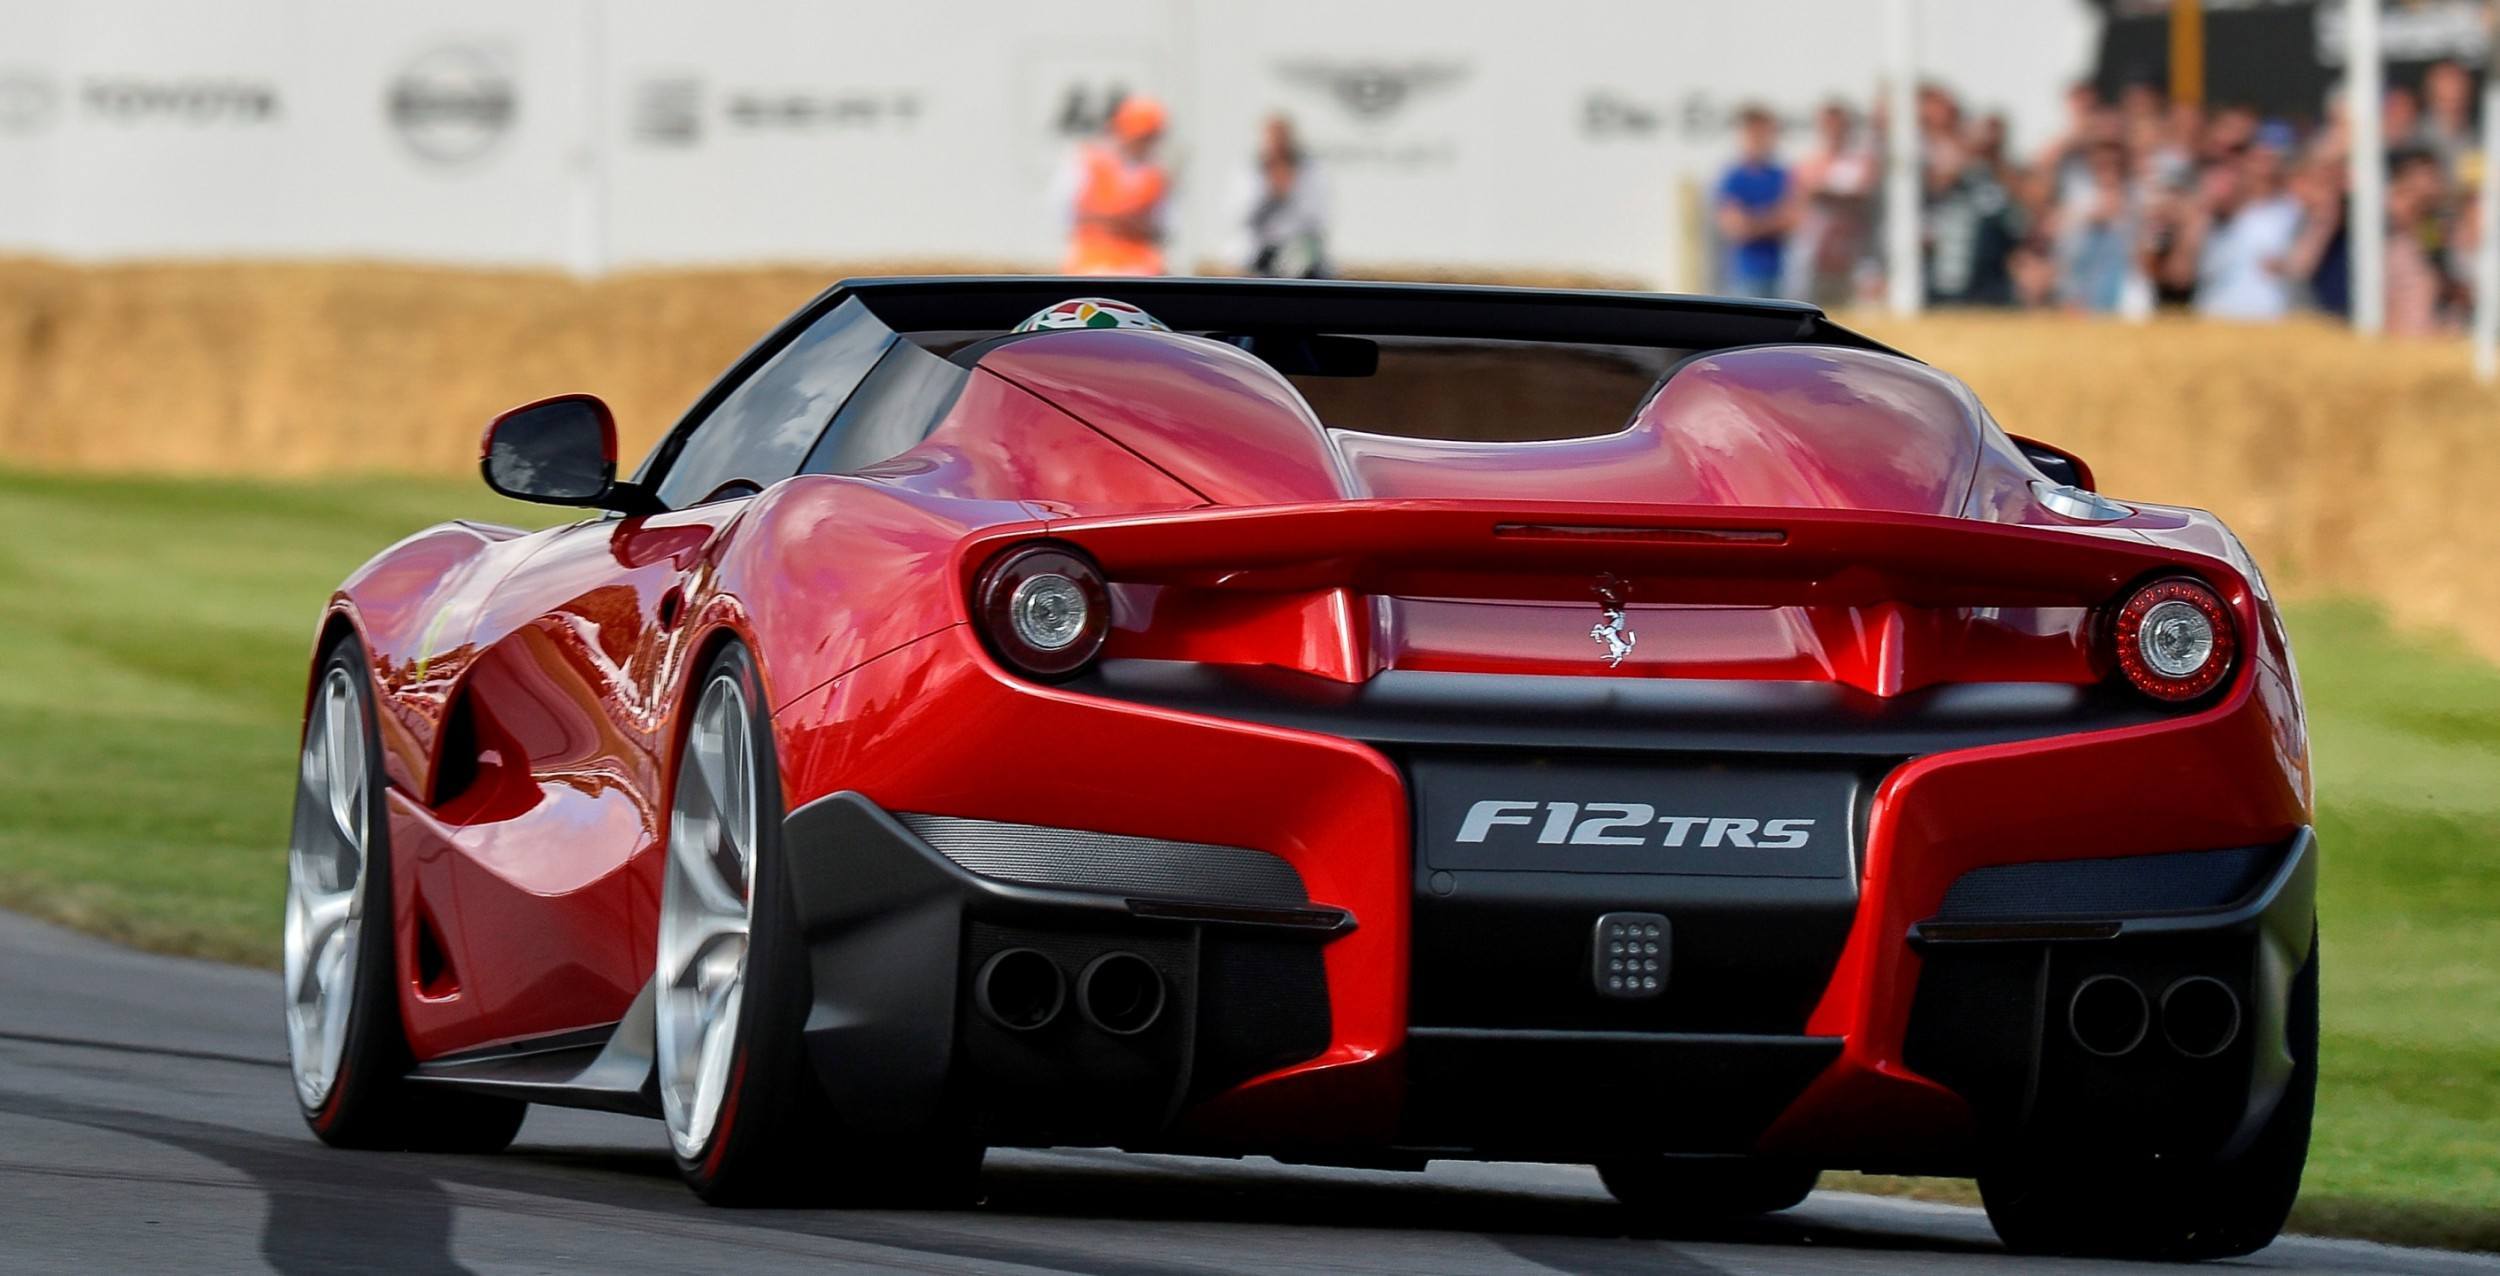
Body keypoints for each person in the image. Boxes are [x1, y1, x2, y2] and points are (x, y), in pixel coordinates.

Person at [1057, 95, 1172, 276]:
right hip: (1091, 258)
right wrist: (1117, 222)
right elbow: (1066, 216)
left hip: (1140, 262)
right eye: (1139, 137)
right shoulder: (1087, 164)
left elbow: (1163, 228)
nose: (1143, 144)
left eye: (1149, 138)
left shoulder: (1156, 175)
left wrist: (1123, 224)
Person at [1789, 101, 1876, 306]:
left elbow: (1861, 196)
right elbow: (1799, 202)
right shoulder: (1809, 163)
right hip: (1816, 256)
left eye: (1838, 126)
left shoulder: (1859, 163)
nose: (1834, 132)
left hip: (1850, 254)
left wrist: (1824, 193)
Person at [1232, 114, 1330, 278]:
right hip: (1259, 254)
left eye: (1282, 137)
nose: (1278, 144)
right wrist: (1271, 194)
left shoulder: (1311, 171)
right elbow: (1240, 217)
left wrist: (1290, 190)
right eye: (1273, 138)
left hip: (1302, 254)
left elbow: (1317, 220)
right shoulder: (1250, 171)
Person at [1714, 105, 1794, 297]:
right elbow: (1736, 228)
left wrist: (1753, 222)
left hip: (1781, 275)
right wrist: (1772, 220)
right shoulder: (1733, 178)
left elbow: (1792, 220)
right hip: (1744, 276)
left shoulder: (1781, 176)